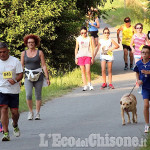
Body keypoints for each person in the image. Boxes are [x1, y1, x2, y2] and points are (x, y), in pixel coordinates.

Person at [21, 34, 50, 120]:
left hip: (38, 76)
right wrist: (19, 79)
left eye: (32, 42)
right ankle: (30, 112)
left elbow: (44, 65)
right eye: (29, 42)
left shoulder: (39, 52)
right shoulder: (23, 53)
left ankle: (37, 113)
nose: (31, 44)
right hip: (27, 76)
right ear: (26, 43)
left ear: (35, 43)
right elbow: (21, 66)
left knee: (38, 95)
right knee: (28, 94)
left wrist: (47, 78)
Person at [0, 42, 23, 141]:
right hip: (1, 89)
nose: (2, 54)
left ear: (8, 51)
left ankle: (15, 124)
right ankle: (6, 133)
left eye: (4, 52)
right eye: (0, 52)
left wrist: (15, 80)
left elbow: (20, 74)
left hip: (13, 90)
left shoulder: (15, 61)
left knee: (14, 113)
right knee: (3, 109)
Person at [133, 45, 150, 133]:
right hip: (145, 88)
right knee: (146, 105)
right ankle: (147, 124)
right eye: (143, 52)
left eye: (146, 53)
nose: (144, 54)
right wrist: (138, 80)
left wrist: (148, 72)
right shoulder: (139, 63)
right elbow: (136, 72)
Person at [75, 26, 94, 91]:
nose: (83, 34)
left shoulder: (89, 38)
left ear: (87, 32)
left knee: (88, 71)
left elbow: (91, 48)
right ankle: (85, 85)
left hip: (87, 55)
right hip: (80, 56)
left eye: (85, 33)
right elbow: (76, 48)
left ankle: (90, 84)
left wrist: (92, 57)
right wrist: (76, 57)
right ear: (80, 33)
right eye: (82, 33)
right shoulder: (78, 39)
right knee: (83, 71)